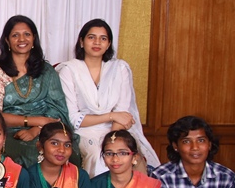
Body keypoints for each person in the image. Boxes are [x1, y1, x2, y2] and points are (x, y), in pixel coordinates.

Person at [57, 19, 159, 175]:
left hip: (115, 129)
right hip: (84, 131)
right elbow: (73, 119)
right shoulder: (68, 70)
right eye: (91, 37)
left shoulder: (119, 68)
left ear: (109, 44)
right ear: (82, 42)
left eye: (103, 38)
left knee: (128, 155)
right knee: (98, 157)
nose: (97, 42)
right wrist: (111, 116)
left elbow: (122, 113)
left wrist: (113, 139)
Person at [0, 15, 79, 169]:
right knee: (31, 152)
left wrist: (37, 129)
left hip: (46, 130)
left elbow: (58, 109)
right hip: (9, 131)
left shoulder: (46, 71)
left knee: (67, 152)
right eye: (15, 35)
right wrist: (34, 121)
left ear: (34, 38)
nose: (22, 39)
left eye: (27, 34)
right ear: (7, 41)